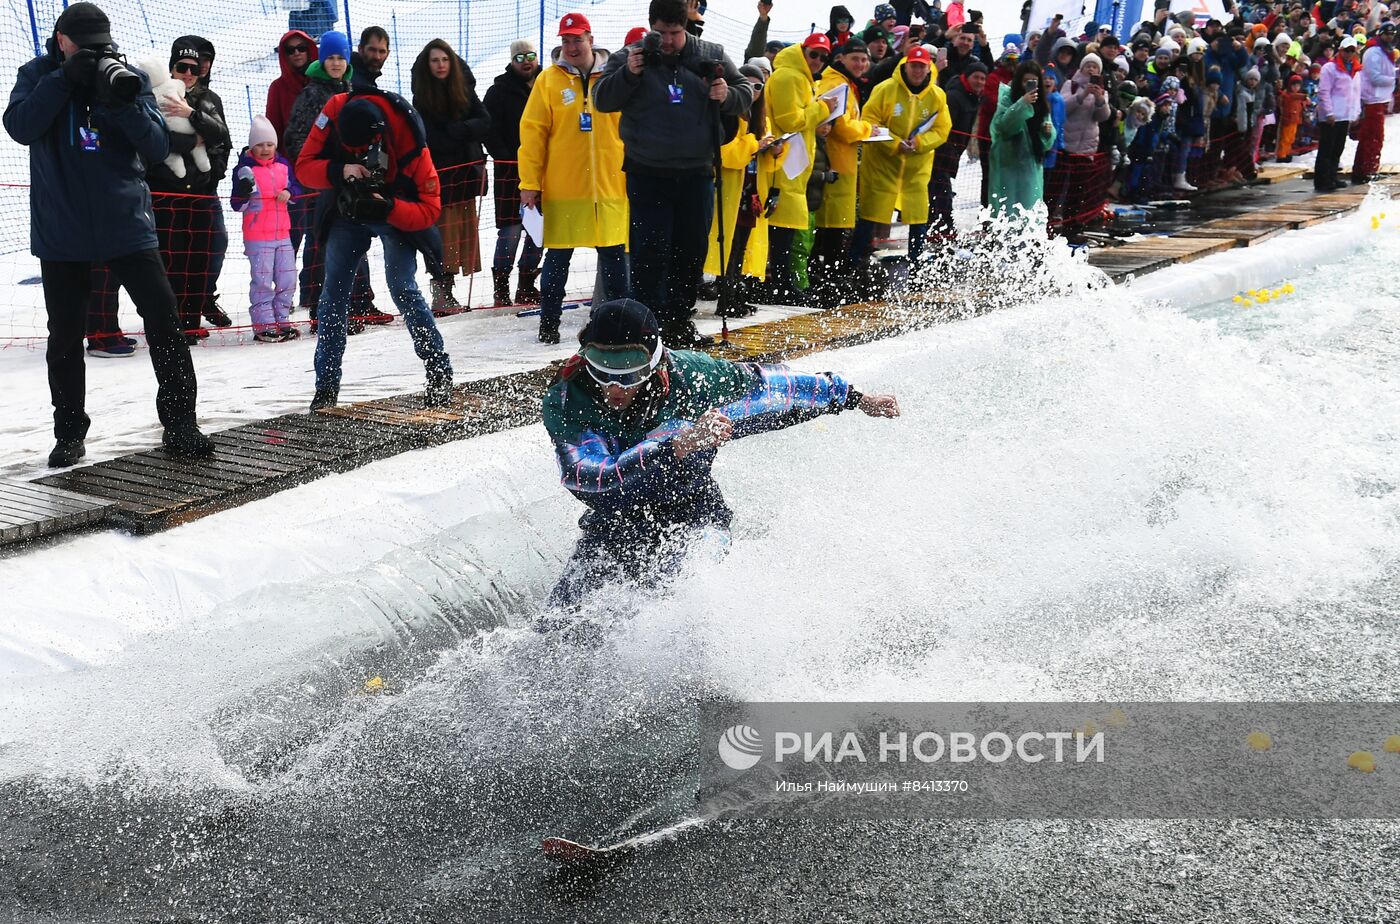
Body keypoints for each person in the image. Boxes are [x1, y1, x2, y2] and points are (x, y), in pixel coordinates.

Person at [540, 298, 899, 612]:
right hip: (615, 522)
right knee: (559, 627)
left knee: (683, 594)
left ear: (654, 361)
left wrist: (853, 398)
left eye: (629, 372)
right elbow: (591, 477)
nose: (614, 387)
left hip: (695, 514)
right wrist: (677, 444)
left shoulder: (693, 376)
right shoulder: (568, 399)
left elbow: (773, 388)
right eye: (602, 369)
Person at [4, 1, 212, 465]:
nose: (96, 54)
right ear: (62, 41)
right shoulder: (37, 74)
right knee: (65, 336)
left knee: (164, 321)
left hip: (126, 223)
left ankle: (181, 424)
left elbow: (158, 145)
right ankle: (69, 433)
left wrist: (121, 104)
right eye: (86, 47)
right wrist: (63, 79)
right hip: (62, 229)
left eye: (101, 46)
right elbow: (19, 126)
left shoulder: (122, 73)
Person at [594, 0, 755, 348]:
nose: (666, 41)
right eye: (660, 32)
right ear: (651, 26)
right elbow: (601, 99)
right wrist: (628, 75)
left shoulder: (710, 55)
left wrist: (726, 94)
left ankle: (679, 322)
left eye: (674, 33)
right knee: (649, 252)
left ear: (686, 27)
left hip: (697, 173)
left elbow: (747, 95)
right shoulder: (631, 56)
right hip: (647, 172)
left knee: (691, 251)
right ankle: (647, 328)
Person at [296, 91, 455, 410]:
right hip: (346, 210)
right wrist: (341, 170)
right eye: (349, 149)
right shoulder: (334, 110)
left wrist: (391, 208)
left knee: (403, 288)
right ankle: (325, 389)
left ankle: (439, 371)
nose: (358, 154)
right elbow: (303, 168)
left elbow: (430, 209)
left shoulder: (409, 138)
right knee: (332, 297)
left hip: (394, 210)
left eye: (363, 150)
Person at [518, 13, 629, 345]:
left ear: (590, 40)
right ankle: (548, 323)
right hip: (564, 188)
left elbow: (631, 130)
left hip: (610, 188)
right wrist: (530, 183)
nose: (571, 46)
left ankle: (622, 323)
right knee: (557, 259)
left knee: (613, 260)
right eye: (565, 40)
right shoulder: (548, 81)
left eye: (577, 39)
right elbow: (533, 133)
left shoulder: (614, 77)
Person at [285, 31, 386, 331]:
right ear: (322, 59)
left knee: (356, 239)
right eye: (330, 57)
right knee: (324, 244)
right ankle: (322, 311)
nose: (336, 63)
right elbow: (296, 139)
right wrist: (325, 165)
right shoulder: (312, 94)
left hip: (353, 179)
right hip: (326, 181)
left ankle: (359, 303)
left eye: (341, 57)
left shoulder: (355, 89)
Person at [145, 40, 231, 343]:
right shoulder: (153, 97)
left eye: (194, 68)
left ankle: (192, 320)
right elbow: (151, 144)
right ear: (171, 68)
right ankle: (172, 324)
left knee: (203, 256)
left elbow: (221, 139)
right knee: (172, 260)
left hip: (202, 192)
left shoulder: (208, 99)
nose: (188, 73)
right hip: (167, 194)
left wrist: (212, 175)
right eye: (182, 67)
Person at [851, 46, 951, 274]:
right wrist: (895, 143)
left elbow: (942, 129)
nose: (917, 71)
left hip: (916, 168)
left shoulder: (937, 95)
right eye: (913, 65)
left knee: (917, 216)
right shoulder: (885, 89)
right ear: (905, 66)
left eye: (921, 66)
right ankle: (855, 259)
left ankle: (916, 259)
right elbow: (870, 120)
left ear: (929, 68)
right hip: (882, 166)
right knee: (871, 214)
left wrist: (919, 144)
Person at [412, 38, 490, 315]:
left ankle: (450, 291)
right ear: (427, 64)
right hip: (438, 176)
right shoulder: (422, 96)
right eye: (435, 60)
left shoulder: (464, 90)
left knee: (460, 233)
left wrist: (462, 129)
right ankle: (440, 291)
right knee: (441, 235)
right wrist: (451, 136)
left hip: (465, 173)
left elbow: (484, 121)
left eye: (444, 59)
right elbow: (426, 136)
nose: (441, 65)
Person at [764, 34, 838, 305]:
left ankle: (784, 284)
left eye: (823, 56)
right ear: (803, 51)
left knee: (788, 228)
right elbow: (791, 120)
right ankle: (781, 285)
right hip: (785, 165)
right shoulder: (789, 77)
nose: (818, 61)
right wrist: (822, 108)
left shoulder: (802, 78)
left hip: (794, 166)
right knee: (781, 228)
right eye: (814, 54)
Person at [703, 64, 777, 317]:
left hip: (751, 194)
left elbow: (763, 152)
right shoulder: (730, 115)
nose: (753, 90)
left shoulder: (760, 119)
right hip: (730, 192)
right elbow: (727, 154)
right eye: (747, 84)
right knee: (728, 247)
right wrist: (756, 144)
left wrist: (776, 148)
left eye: (758, 86)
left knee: (740, 247)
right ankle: (726, 298)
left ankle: (733, 295)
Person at [810, 37, 874, 309]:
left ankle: (829, 281)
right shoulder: (836, 83)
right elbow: (843, 128)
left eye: (864, 59)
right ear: (842, 59)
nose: (861, 64)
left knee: (836, 229)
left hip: (842, 165)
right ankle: (826, 284)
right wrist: (869, 129)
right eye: (855, 59)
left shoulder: (846, 84)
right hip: (834, 164)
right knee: (831, 231)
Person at [483, 39, 543, 308]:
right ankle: (501, 287)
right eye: (520, 57)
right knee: (511, 231)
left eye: (530, 55)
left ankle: (527, 285)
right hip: (510, 170)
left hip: (543, 170)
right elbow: (488, 129)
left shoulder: (547, 84)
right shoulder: (498, 91)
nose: (526, 61)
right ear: (512, 61)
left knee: (539, 231)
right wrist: (506, 156)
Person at [231, 115, 300, 342]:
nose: (265, 149)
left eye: (269, 144)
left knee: (288, 279)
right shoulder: (244, 170)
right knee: (262, 281)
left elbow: (296, 188)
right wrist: (242, 192)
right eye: (259, 145)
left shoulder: (283, 165)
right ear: (251, 146)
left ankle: (283, 321)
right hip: (258, 236)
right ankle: (264, 325)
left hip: (283, 234)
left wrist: (290, 193)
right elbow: (237, 204)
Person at [266, 30, 319, 311]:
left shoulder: (320, 83)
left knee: (318, 233)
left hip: (321, 167)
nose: (297, 53)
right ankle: (281, 294)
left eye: (302, 48)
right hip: (292, 173)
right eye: (290, 50)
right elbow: (273, 128)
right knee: (291, 235)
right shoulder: (278, 87)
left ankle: (312, 291)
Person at [988, 59, 1055, 221]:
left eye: (1033, 82)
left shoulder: (1042, 105)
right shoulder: (1007, 99)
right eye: (1025, 81)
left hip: (1030, 168)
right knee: (1007, 212)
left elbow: (1047, 141)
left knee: (1029, 213)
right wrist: (1022, 104)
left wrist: (1048, 133)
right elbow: (1003, 127)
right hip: (1007, 165)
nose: (1029, 85)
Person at [928, 59, 984, 240]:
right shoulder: (955, 95)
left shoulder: (971, 96)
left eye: (983, 79)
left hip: (952, 152)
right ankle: (943, 228)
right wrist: (950, 150)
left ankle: (941, 227)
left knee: (941, 191)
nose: (980, 82)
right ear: (967, 77)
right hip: (942, 152)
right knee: (941, 192)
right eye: (976, 77)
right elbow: (944, 126)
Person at [1351, 22, 1395, 183]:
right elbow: (1374, 77)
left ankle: (1365, 168)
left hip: (1380, 99)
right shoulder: (1373, 52)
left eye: (1392, 34)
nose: (1389, 37)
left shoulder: (1385, 51)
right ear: (1380, 34)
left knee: (1371, 136)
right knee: (1373, 137)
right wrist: (1394, 79)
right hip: (1372, 99)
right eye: (1387, 34)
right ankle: (1367, 169)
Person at [1316, 35, 1361, 190]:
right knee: (1326, 149)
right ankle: (1322, 180)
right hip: (1332, 115)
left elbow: (1356, 93)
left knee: (1338, 148)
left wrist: (1355, 113)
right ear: (1340, 50)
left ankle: (1332, 176)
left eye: (1352, 51)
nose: (1349, 54)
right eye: (1346, 50)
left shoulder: (1355, 70)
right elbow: (1324, 91)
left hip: (1345, 115)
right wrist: (1328, 112)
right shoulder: (1329, 68)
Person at [352, 25, 390, 91]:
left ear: (388, 53)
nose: (377, 57)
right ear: (360, 49)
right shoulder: (353, 82)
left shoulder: (368, 81)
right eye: (372, 50)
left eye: (382, 51)